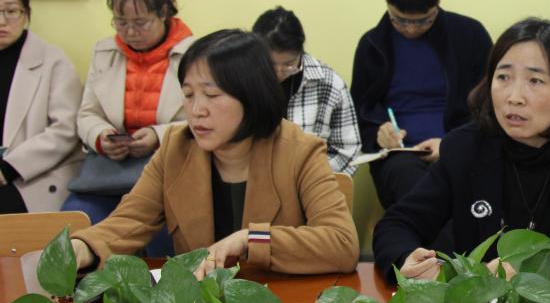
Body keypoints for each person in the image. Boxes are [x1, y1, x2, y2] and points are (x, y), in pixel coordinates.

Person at [373, 18, 550, 285]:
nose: (514, 97)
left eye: (535, 81)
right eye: (503, 77)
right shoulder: (465, 147)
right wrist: (406, 258)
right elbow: (397, 224)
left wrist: (537, 270)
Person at [70, 30, 360, 278]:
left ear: (252, 96)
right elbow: (129, 222)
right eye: (188, 95)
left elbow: (341, 244)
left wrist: (251, 239)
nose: (197, 110)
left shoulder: (299, 151)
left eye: (211, 95)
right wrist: (84, 247)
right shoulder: (175, 148)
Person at [351, 0, 492, 207]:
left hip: (461, 148)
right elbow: (358, 114)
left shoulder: (470, 36)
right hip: (398, 159)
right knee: (412, 181)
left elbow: (491, 106)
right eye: (400, 20)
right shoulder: (372, 46)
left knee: (461, 176)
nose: (411, 29)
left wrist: (452, 145)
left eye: (424, 21)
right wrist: (378, 134)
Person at [64, 0, 194, 226]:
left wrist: (157, 136)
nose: (131, 32)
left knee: (160, 228)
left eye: (141, 23)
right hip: (109, 172)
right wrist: (102, 137)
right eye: (121, 22)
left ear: (163, 12)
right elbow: (88, 113)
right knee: (75, 220)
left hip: (169, 164)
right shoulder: (104, 52)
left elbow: (204, 119)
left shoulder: (193, 54)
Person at [0, 0, 83, 213]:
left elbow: (65, 130)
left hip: (32, 176)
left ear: (26, 14)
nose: (2, 21)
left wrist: (9, 168)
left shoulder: (53, 61)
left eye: (11, 11)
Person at [253, 6, 360, 175]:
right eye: (270, 64)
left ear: (301, 53)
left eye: (289, 64)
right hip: (254, 178)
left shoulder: (329, 84)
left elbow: (349, 151)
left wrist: (311, 176)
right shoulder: (241, 82)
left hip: (312, 181)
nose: (279, 73)